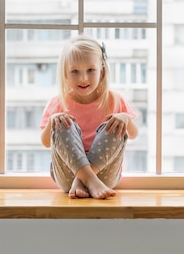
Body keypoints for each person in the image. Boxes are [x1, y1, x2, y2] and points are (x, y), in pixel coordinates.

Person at [40, 35, 139, 199]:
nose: (83, 78)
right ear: (65, 73)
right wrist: (52, 122)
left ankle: (84, 179)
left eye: (90, 70)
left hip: (105, 177)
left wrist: (126, 118)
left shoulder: (114, 99)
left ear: (102, 70)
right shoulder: (58, 102)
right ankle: (86, 178)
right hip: (67, 176)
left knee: (116, 123)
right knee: (62, 121)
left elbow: (133, 134)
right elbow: (45, 142)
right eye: (75, 71)